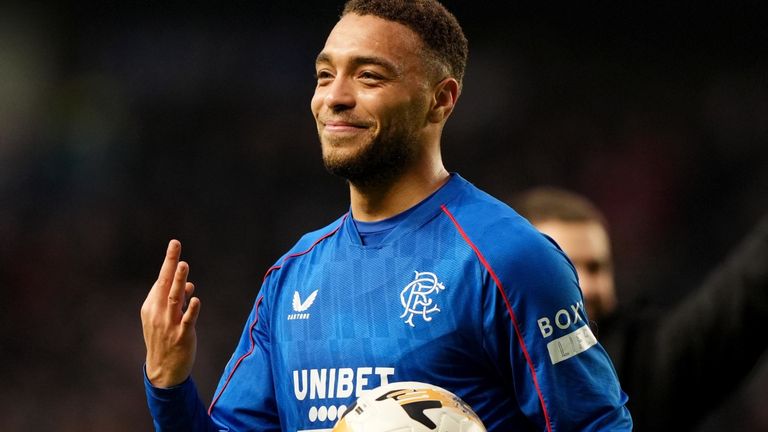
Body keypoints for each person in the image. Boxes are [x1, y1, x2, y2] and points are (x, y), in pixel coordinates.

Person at [140, 1, 632, 430]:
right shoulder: (292, 275)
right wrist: (168, 384)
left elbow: (596, 425)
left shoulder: (509, 259)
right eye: (325, 75)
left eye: (369, 76)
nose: (335, 97)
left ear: (441, 99)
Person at [513, 186, 768, 431]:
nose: (587, 286)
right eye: (564, 266)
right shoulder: (480, 369)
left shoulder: (643, 364)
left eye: (595, 268)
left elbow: (743, 292)